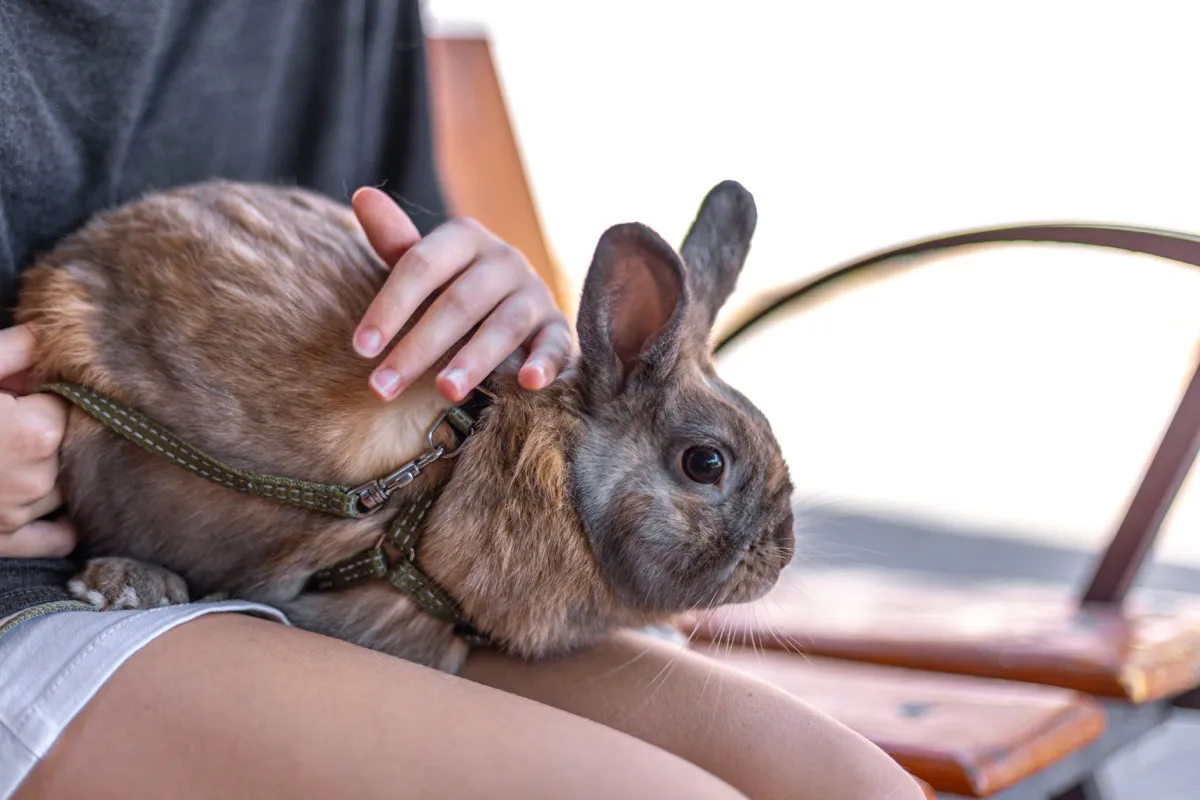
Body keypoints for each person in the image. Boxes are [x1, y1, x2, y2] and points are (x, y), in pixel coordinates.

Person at [0, 2, 925, 798]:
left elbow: (385, 218)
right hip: (34, 579)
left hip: (403, 587)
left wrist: (489, 300)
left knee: (858, 786)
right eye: (704, 469)